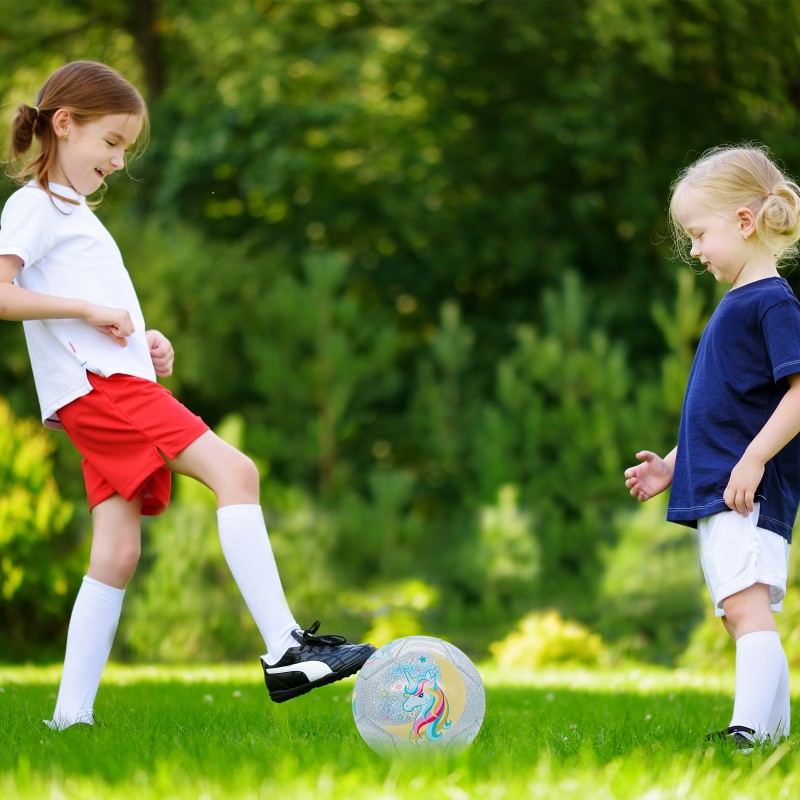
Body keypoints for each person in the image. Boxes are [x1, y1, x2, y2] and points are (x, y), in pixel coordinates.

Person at [0, 60, 374, 731]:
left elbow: (90, 314)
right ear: (64, 125)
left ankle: (67, 721)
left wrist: (143, 343)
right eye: (109, 143)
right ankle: (286, 647)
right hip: (102, 392)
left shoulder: (72, 212)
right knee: (237, 472)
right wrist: (89, 312)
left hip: (112, 382)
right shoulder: (34, 206)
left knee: (116, 552)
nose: (116, 161)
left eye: (124, 149)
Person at [625, 144, 800, 750]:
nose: (694, 249)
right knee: (740, 616)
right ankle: (771, 734)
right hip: (724, 486)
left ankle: (749, 732)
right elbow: (721, 414)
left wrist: (753, 460)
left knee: (747, 614)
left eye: (699, 233)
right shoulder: (740, 305)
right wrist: (672, 467)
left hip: (746, 490)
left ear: (745, 222)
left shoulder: (772, 302)